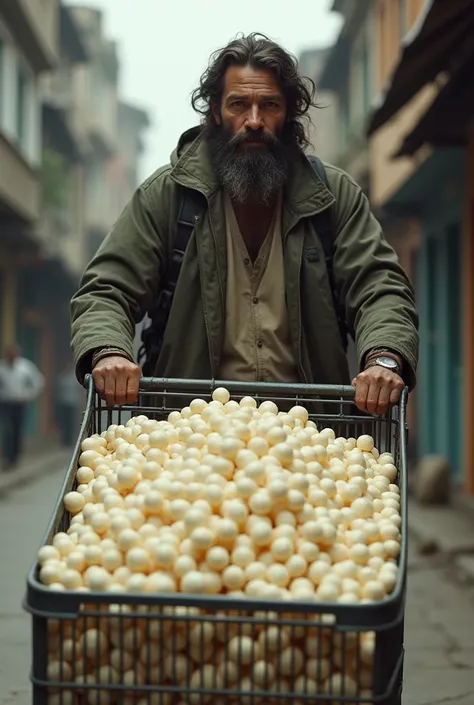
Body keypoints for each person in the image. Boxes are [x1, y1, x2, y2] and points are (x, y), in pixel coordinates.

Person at [70, 33, 419, 415]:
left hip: (314, 442)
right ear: (216, 113)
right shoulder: (168, 195)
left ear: (288, 114)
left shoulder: (334, 196)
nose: (254, 121)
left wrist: (384, 357)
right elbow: (106, 290)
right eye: (239, 104)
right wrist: (108, 352)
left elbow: (379, 286)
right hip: (187, 441)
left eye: (269, 105)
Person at [0, 344, 45, 470]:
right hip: (6, 404)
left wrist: (29, 396)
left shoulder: (25, 367)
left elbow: (39, 382)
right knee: (8, 430)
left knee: (17, 430)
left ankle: (15, 457)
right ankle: (7, 458)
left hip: (20, 404)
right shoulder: (2, 368)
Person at [56, 361, 81, 447]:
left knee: (71, 422)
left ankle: (70, 440)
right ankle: (64, 440)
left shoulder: (75, 378)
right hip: (63, 403)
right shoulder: (62, 377)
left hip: (73, 403)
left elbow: (79, 390)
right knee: (64, 422)